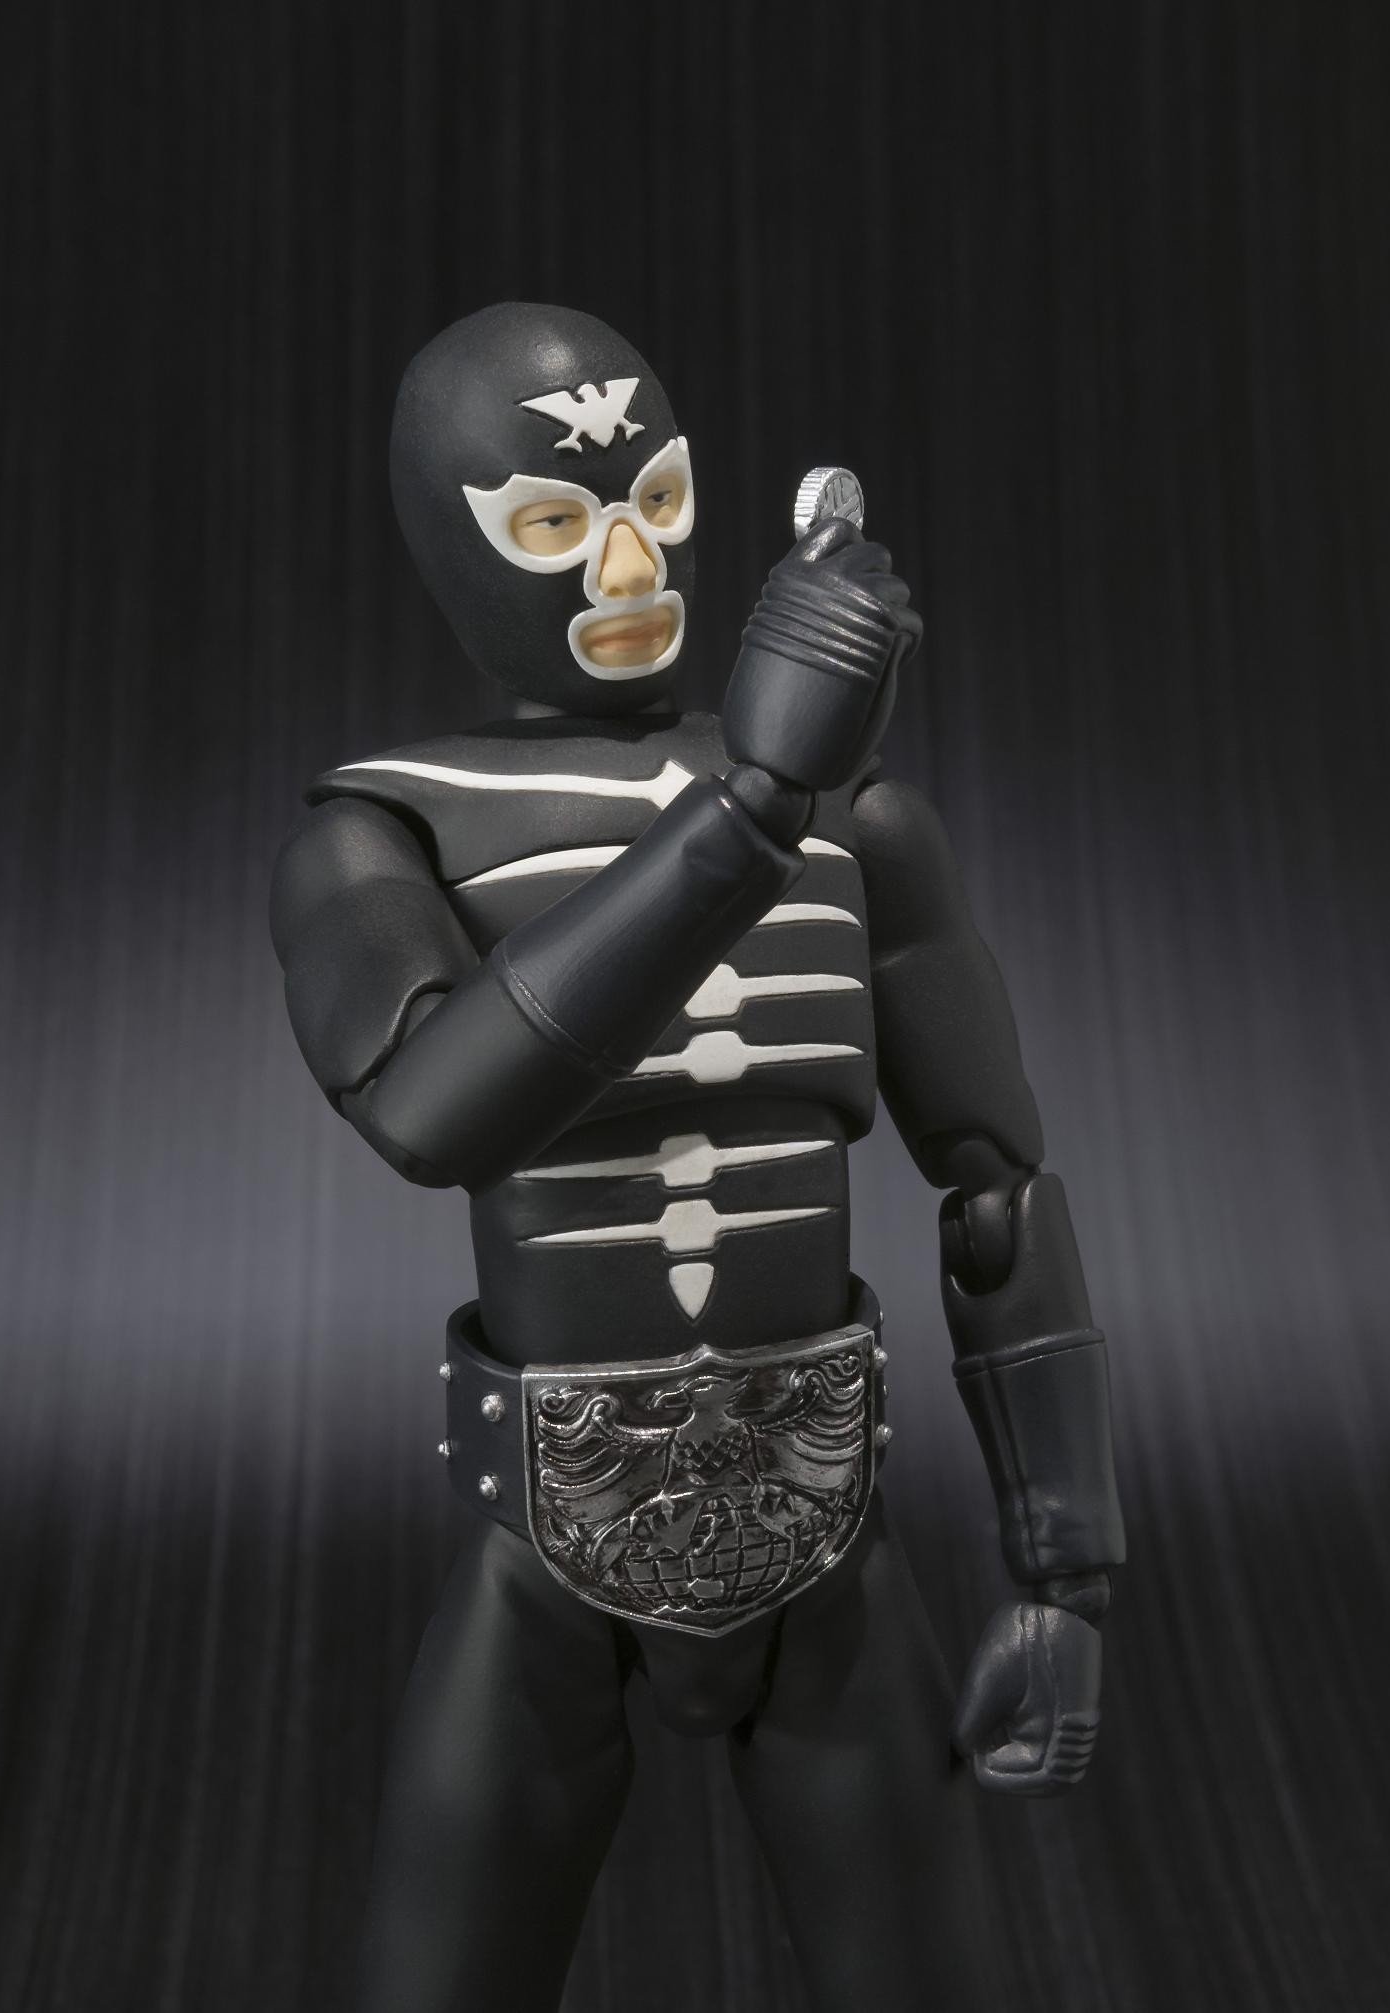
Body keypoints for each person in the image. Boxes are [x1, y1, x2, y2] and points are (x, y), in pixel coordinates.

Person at [270, 302, 1125, 2012]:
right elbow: (432, 1110)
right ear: (450, 543)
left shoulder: (863, 823)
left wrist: (1069, 1566)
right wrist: (747, 812)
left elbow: (995, 1194)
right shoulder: (382, 829)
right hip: (544, 1549)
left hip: (830, 1542)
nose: (627, 564)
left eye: (655, 500)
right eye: (555, 522)